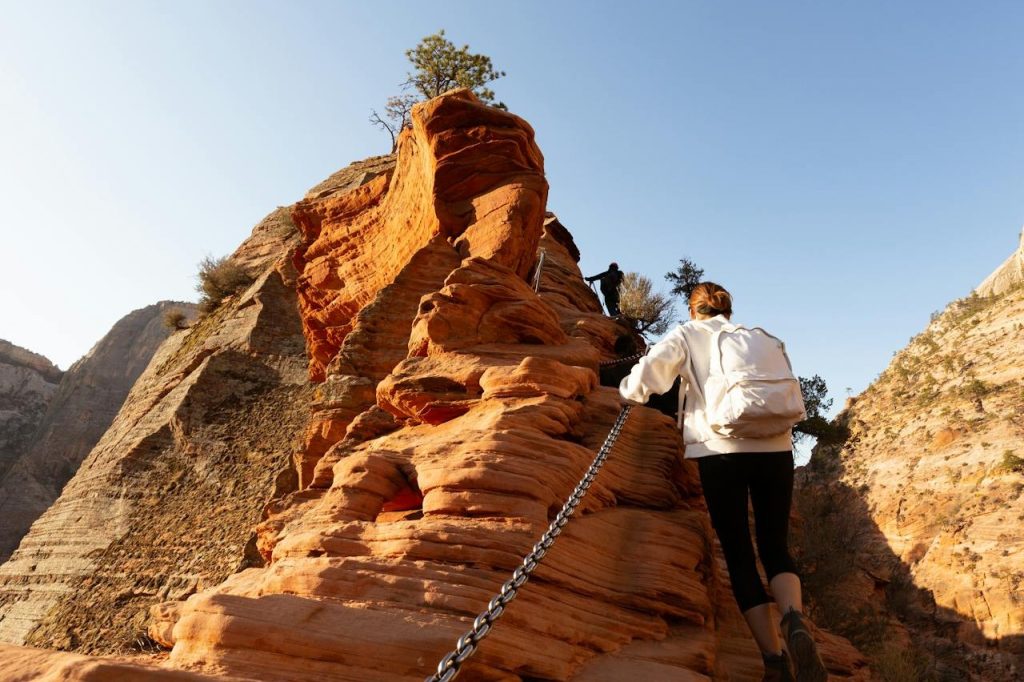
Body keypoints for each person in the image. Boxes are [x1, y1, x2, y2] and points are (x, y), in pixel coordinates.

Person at [618, 282, 827, 682]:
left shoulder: (687, 333)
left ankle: (775, 662)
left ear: (693, 310)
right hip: (776, 449)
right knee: (774, 545)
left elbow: (648, 377)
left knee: (738, 552)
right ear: (728, 310)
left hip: (719, 452)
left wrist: (627, 391)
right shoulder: (758, 337)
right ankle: (794, 618)